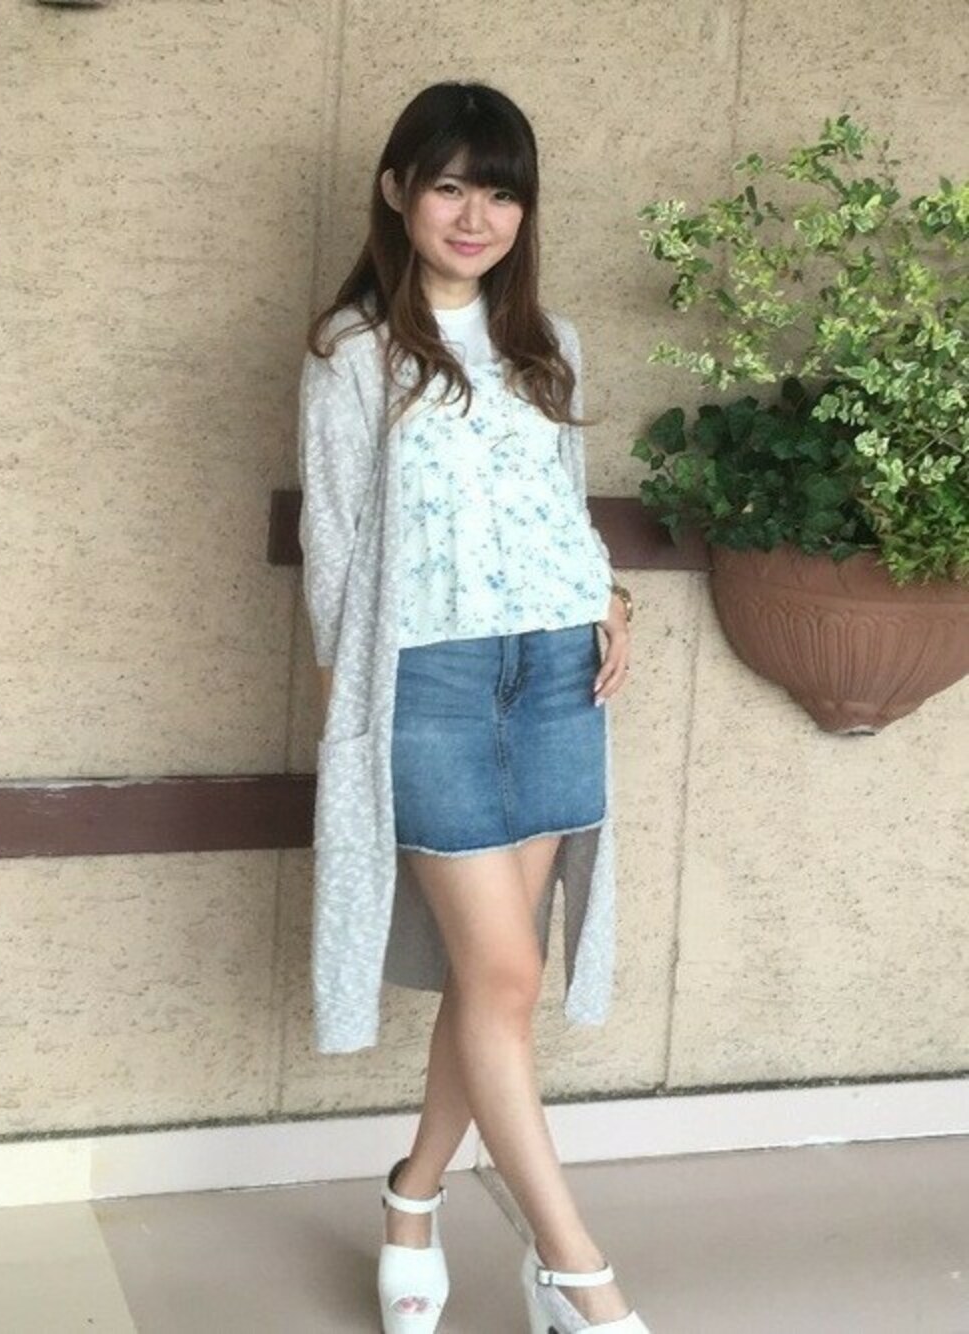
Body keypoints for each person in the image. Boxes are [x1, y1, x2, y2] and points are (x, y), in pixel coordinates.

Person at [297, 81, 648, 1334]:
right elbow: (336, 545)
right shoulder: (354, 352)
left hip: (555, 673)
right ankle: (579, 1276)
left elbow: (560, 501)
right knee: (500, 969)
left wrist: (607, 594)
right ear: (398, 190)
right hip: (430, 684)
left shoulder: (550, 340)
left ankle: (411, 1198)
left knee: (497, 980)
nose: (474, 215)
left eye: (500, 192)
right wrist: (355, 717)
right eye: (449, 185)